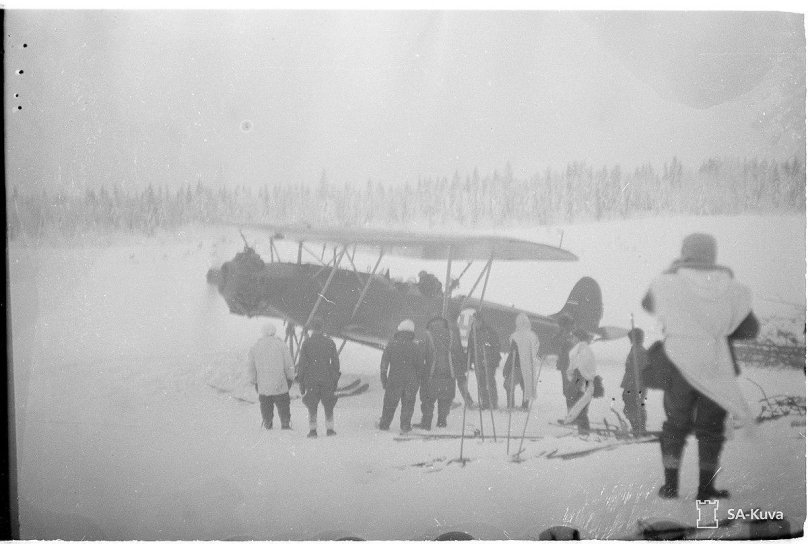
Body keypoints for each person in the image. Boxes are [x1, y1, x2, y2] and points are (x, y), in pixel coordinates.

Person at [642, 233, 759, 500]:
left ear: (685, 252)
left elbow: (648, 303)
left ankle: (670, 487)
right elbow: (750, 329)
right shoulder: (729, 287)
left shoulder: (669, 282)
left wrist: (671, 272)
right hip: (715, 364)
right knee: (710, 428)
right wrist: (719, 329)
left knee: (675, 425)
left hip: (678, 365)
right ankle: (706, 489)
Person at [297, 317, 341, 438]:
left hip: (311, 378)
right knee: (329, 403)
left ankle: (312, 431)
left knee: (312, 405)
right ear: (322, 327)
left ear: (312, 327)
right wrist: (335, 377)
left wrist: (301, 380)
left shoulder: (306, 343)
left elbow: (302, 364)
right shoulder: (330, 342)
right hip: (327, 378)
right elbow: (336, 363)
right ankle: (330, 429)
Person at [247, 322, 296, 430]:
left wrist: (254, 381)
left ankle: (267, 423)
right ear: (274, 332)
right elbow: (289, 365)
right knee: (283, 405)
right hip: (280, 383)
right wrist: (290, 378)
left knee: (265, 405)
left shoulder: (255, 347)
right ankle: (285, 424)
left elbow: (251, 367)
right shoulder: (281, 345)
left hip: (263, 384)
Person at [378, 319, 424, 432]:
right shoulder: (416, 347)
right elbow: (420, 367)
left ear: (399, 330)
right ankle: (405, 426)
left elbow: (384, 364)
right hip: (410, 382)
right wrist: (417, 382)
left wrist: (384, 380)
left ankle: (384, 425)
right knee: (408, 405)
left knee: (389, 404)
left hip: (394, 380)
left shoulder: (391, 345)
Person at [416, 317, 457, 430]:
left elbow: (421, 356)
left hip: (431, 375)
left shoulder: (427, 335)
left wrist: (419, 372)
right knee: (445, 399)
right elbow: (458, 354)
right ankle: (442, 422)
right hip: (449, 375)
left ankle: (426, 423)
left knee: (428, 400)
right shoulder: (452, 335)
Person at [563, 329, 597, 433]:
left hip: (580, 382)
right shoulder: (584, 349)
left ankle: (584, 431)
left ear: (577, 338)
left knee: (580, 406)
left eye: (573, 337)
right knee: (581, 406)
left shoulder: (581, 350)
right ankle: (583, 430)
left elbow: (579, 369)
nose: (572, 339)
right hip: (584, 382)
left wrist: (575, 383)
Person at [506, 313, 542, 411]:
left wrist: (507, 367)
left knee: (508, 384)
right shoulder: (532, 335)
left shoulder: (515, 336)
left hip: (517, 365)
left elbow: (512, 352)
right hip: (529, 366)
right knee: (526, 385)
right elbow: (536, 349)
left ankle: (510, 405)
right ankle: (525, 406)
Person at [468, 312, 501, 410]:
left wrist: (493, 359)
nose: (474, 322)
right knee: (481, 383)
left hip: (489, 361)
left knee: (490, 383)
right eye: (473, 320)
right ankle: (485, 403)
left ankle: (493, 403)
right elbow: (471, 345)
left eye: (476, 320)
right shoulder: (473, 331)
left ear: (480, 320)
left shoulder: (490, 331)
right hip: (478, 361)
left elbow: (496, 346)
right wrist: (470, 360)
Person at [547, 314, 577, 414]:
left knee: (570, 391)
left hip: (570, 366)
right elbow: (553, 342)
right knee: (568, 391)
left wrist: (561, 334)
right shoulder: (567, 334)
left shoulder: (571, 335)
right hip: (567, 365)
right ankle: (571, 414)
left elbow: (558, 343)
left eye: (561, 325)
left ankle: (573, 415)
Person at [621, 328, 648, 435]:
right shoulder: (635, 349)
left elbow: (644, 369)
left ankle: (639, 429)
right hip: (631, 382)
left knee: (635, 404)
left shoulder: (640, 351)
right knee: (631, 404)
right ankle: (637, 428)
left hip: (637, 384)